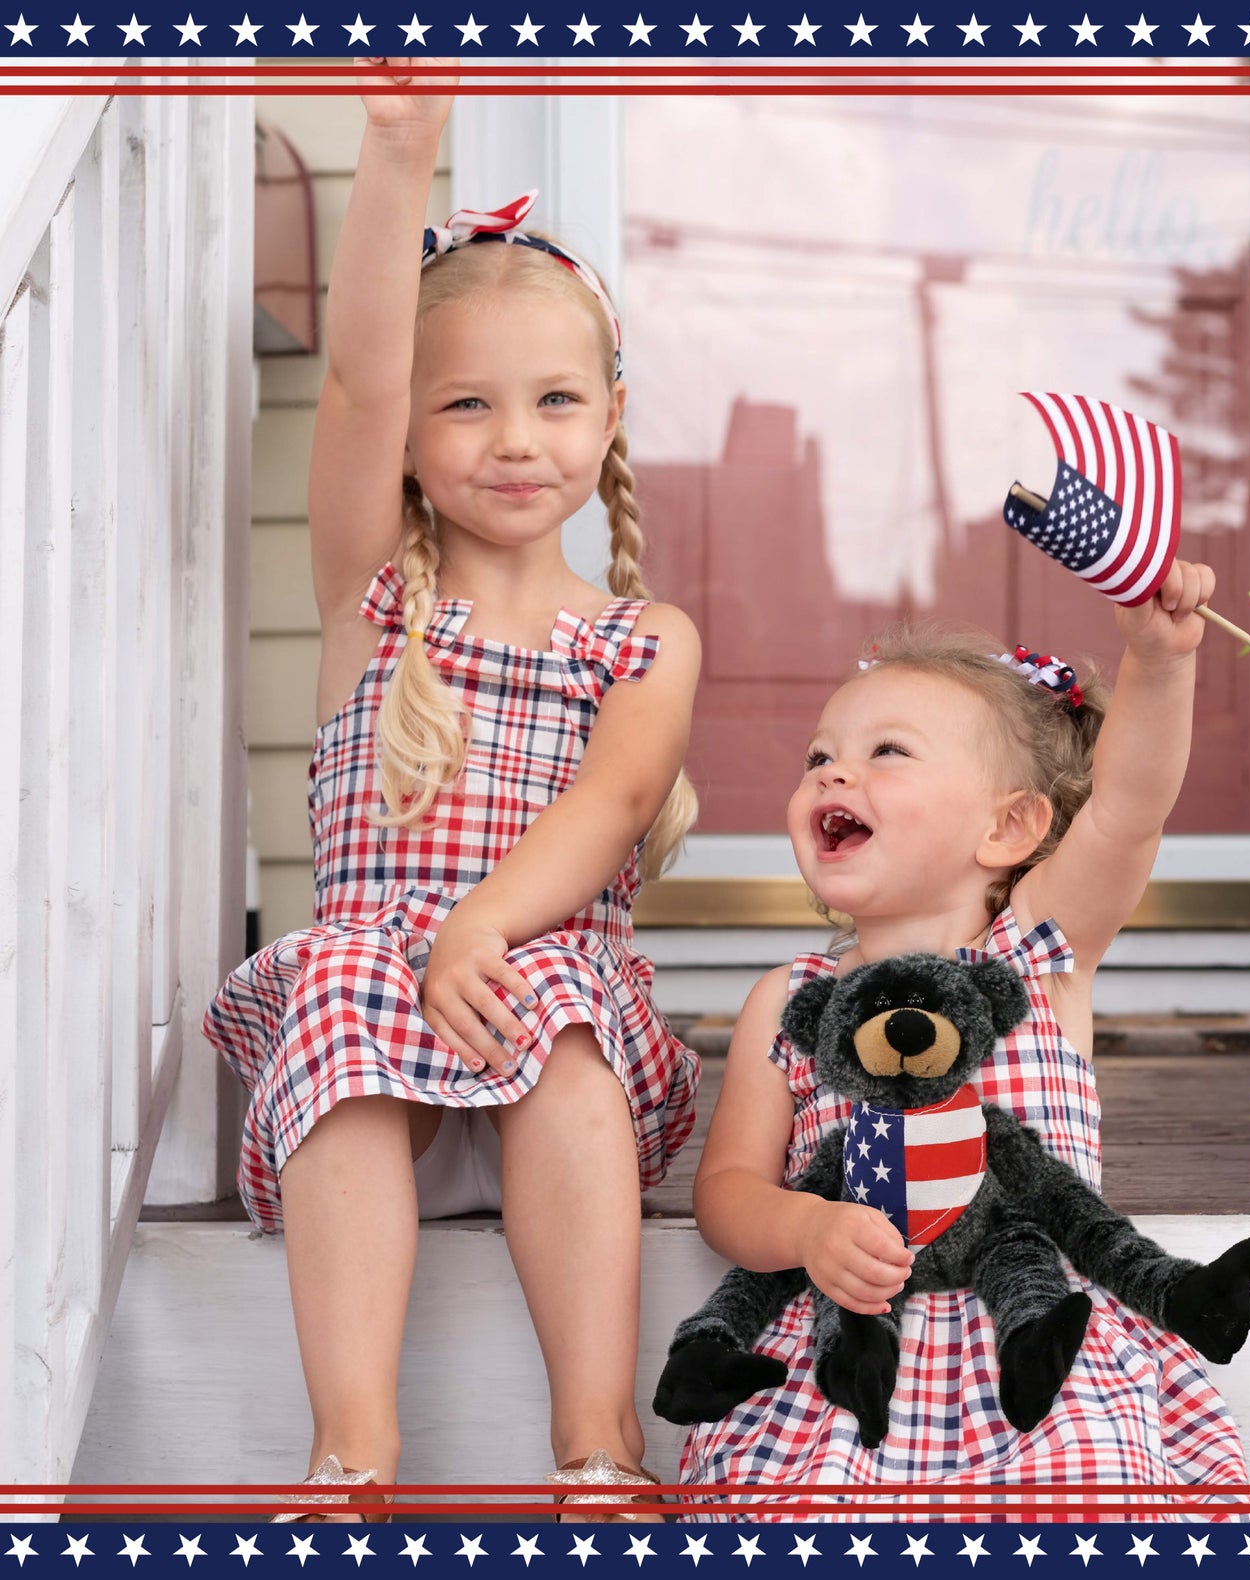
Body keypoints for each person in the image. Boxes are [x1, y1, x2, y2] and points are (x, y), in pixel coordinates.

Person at [204, 60, 700, 1523]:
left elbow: (608, 806)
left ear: (609, 417)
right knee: (354, 975)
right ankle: (351, 1458)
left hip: (550, 1059)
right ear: (415, 440)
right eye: (465, 405)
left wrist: (482, 927)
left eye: (554, 400)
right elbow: (354, 370)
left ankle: (597, 1448)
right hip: (374, 1088)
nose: (513, 438)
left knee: (551, 996)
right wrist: (400, 144)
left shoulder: (641, 638)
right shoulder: (374, 602)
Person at [676, 561, 1250, 1521]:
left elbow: (1128, 810)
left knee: (1081, 1495)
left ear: (1009, 826)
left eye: (887, 752)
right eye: (818, 757)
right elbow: (727, 1191)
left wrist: (1158, 664)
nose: (832, 772)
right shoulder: (791, 1002)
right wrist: (806, 1228)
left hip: (1033, 1342)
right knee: (800, 1508)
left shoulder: (1038, 957)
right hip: (854, 1350)